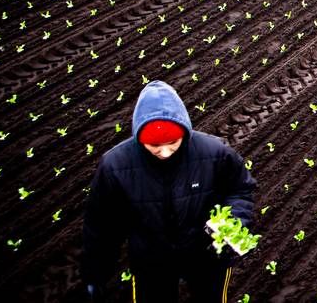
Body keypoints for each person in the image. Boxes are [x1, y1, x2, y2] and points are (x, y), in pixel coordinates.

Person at [82, 80, 256, 302]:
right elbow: (102, 225)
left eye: (173, 142)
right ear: (139, 138)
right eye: (154, 146)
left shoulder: (215, 153)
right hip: (151, 263)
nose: (165, 152)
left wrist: (233, 222)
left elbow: (239, 189)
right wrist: (95, 274)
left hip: (207, 257)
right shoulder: (115, 166)